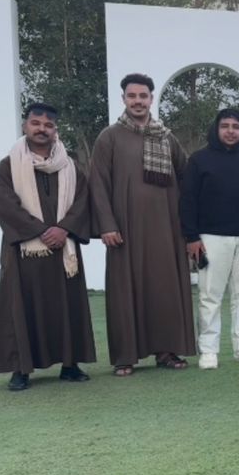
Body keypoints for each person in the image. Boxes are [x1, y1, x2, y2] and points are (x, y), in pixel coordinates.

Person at [89, 73, 197, 376]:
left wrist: (188, 225)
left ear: (151, 99)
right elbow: (98, 184)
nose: (138, 101)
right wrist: (107, 225)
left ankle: (167, 351)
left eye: (143, 96)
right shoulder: (109, 137)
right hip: (125, 229)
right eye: (132, 96)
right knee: (125, 290)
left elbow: (186, 176)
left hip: (166, 228)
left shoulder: (166, 137)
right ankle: (125, 356)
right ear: (123, 99)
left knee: (165, 289)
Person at [0, 102, 98, 391]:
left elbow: (82, 201)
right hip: (24, 252)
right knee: (21, 307)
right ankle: (21, 369)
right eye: (36, 123)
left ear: (55, 130)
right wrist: (41, 231)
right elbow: (6, 206)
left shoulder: (70, 166)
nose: (42, 129)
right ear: (25, 126)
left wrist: (64, 229)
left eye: (48, 125)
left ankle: (70, 365)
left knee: (67, 306)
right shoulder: (9, 166)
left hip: (64, 250)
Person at [181, 108, 239, 368]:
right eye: (225, 126)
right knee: (209, 295)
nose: (230, 131)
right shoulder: (198, 160)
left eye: (236, 127)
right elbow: (187, 200)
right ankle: (208, 351)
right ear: (216, 129)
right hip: (210, 237)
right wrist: (191, 237)